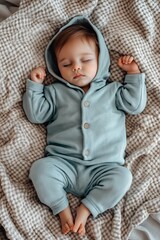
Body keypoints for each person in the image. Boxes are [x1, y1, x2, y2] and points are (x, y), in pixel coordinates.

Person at [23, 16, 147, 236]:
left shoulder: (113, 91)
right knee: (40, 170)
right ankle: (62, 210)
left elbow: (135, 105)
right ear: (56, 66)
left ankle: (86, 210)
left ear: (101, 60)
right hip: (64, 163)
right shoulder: (55, 92)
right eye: (66, 64)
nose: (76, 68)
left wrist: (133, 75)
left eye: (86, 60)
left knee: (123, 178)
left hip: (104, 167)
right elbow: (36, 115)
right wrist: (35, 86)